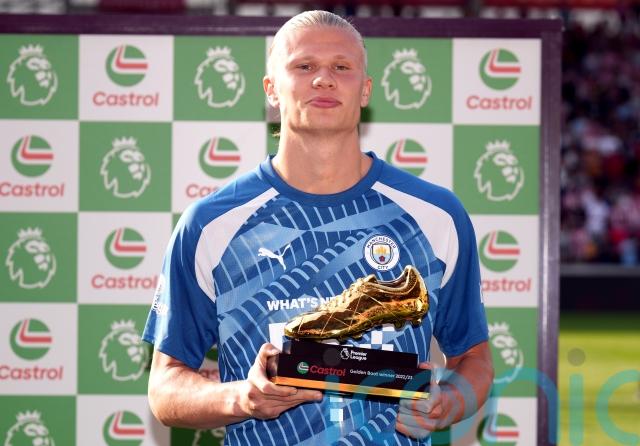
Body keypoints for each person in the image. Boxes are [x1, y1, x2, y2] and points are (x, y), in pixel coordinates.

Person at [144, 10, 493, 445]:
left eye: (341, 67)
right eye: (304, 65)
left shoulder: (436, 215)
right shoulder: (211, 223)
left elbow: (474, 358)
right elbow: (165, 388)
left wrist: (447, 403)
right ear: (272, 89)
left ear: (365, 90)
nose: (324, 80)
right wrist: (243, 397)